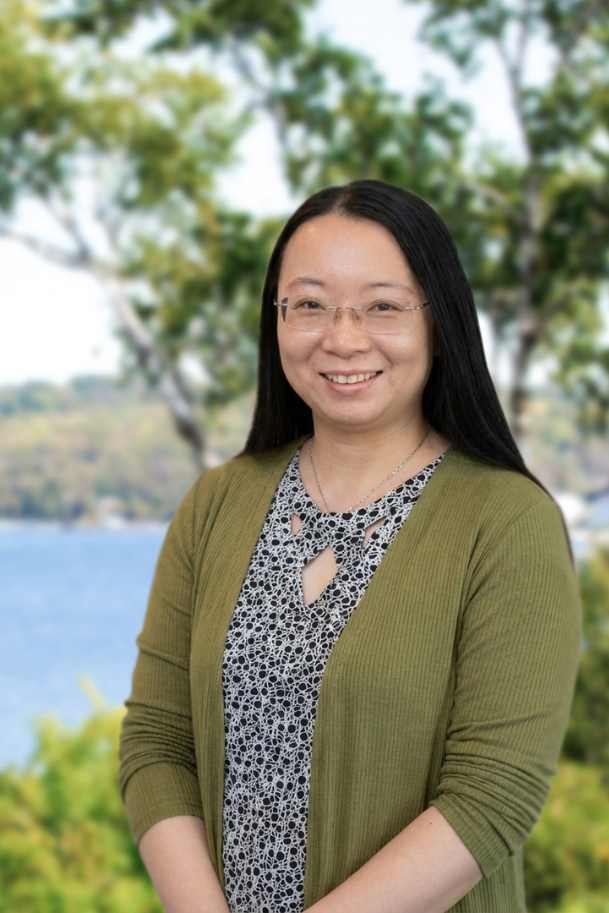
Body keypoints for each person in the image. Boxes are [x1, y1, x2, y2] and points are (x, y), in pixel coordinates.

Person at [119, 180, 581, 913]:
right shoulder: (216, 503)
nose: (342, 336)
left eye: (382, 306)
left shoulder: (505, 521)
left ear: (441, 320)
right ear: (274, 320)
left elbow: (492, 794)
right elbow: (157, 742)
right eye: (308, 303)